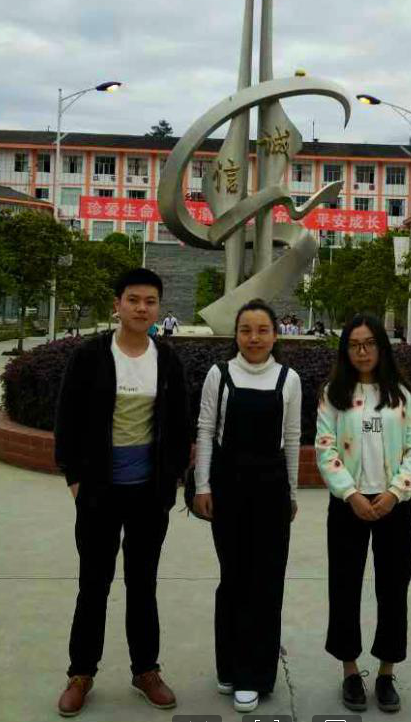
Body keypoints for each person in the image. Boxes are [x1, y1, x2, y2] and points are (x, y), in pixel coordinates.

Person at [53, 268, 192, 717]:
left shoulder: (167, 359)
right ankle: (81, 673)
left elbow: (181, 423)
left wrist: (170, 481)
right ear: (117, 305)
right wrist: (75, 480)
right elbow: (67, 419)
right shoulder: (90, 356)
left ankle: (146, 670)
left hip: (148, 495)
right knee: (93, 584)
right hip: (98, 492)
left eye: (150, 301)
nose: (141, 308)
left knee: (143, 584)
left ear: (158, 308)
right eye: (133, 299)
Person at [191, 299, 302, 714]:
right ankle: (230, 667)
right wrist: (203, 485)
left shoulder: (288, 379)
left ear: (275, 335)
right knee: (233, 578)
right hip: (228, 488)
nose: (254, 338)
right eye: (246, 330)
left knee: (266, 582)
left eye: (262, 330)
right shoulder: (219, 374)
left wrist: (292, 492)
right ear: (236, 334)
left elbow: (292, 438)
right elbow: (205, 430)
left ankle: (254, 676)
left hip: (271, 489)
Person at [316, 313, 411, 715]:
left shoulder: (402, 395)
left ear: (381, 347)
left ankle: (385, 672)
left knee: (393, 590)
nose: (362, 352)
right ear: (345, 350)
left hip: (394, 506)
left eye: (369, 344)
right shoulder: (333, 394)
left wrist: (395, 493)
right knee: (344, 587)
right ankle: (349, 670)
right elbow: (325, 448)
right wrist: (350, 494)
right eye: (354, 345)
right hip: (349, 505)